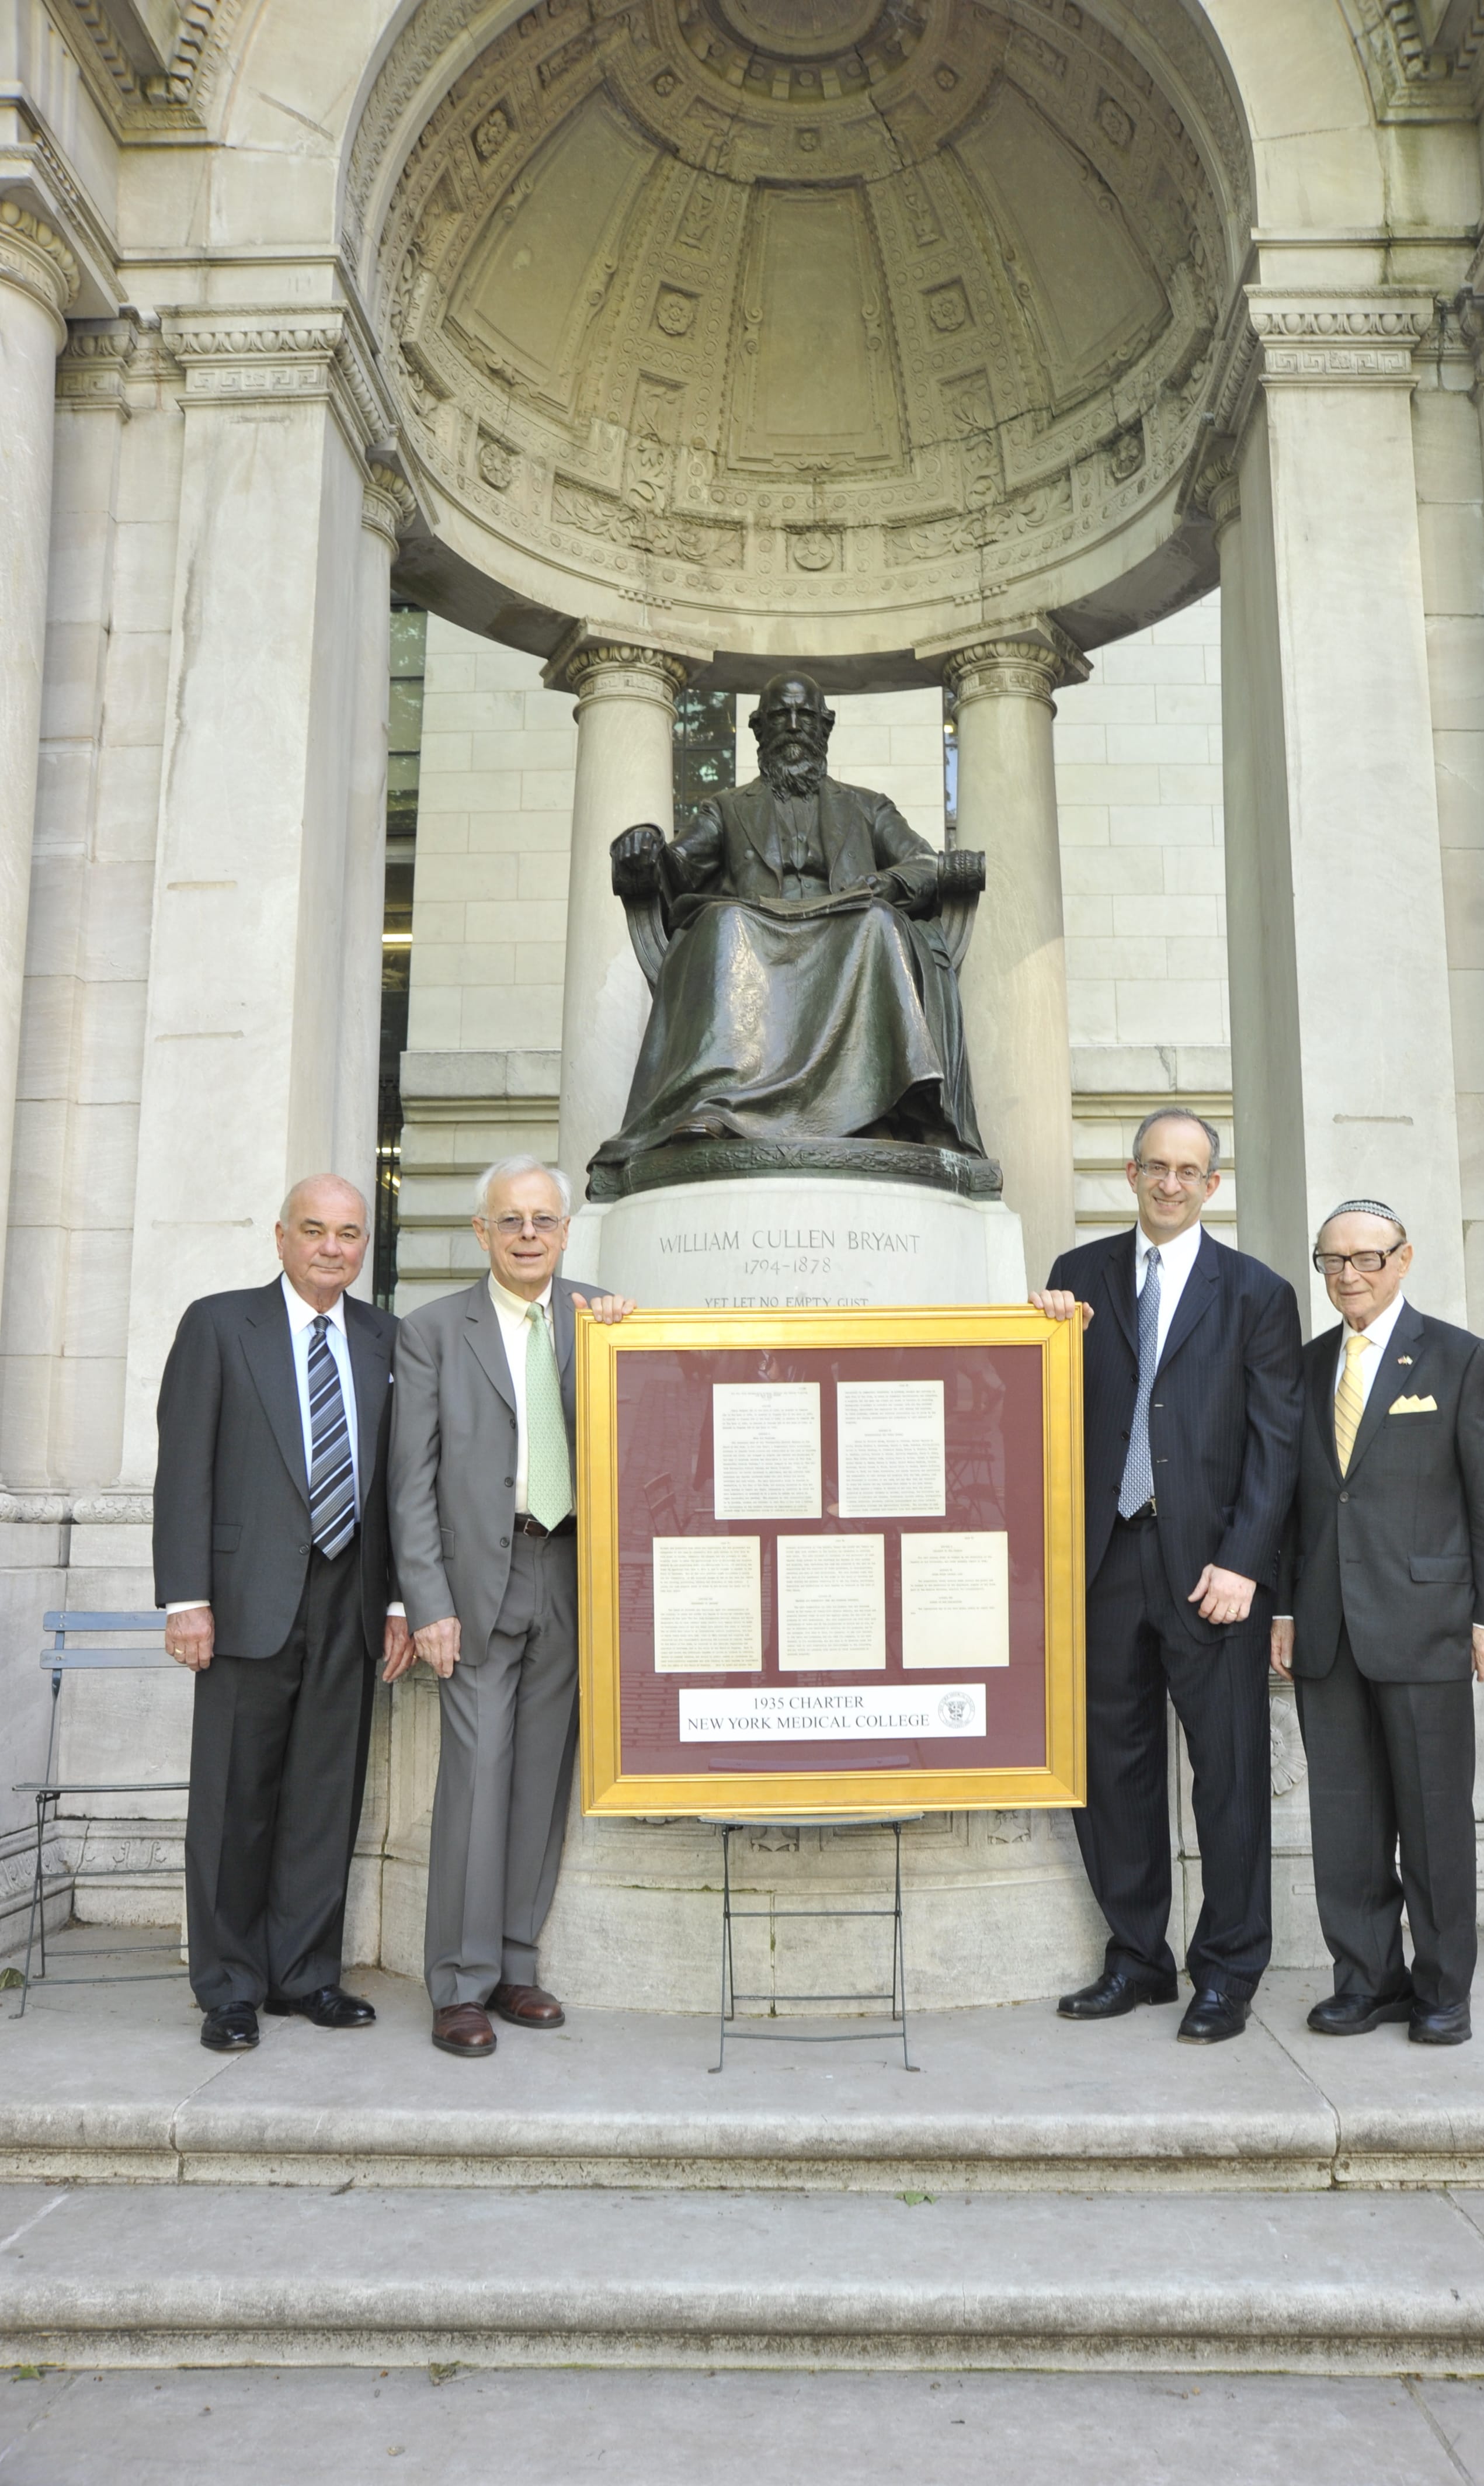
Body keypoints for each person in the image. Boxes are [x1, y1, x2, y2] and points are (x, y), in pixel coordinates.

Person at [1031, 1112, 1302, 2043]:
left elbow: (1276, 1446)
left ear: (1211, 1185)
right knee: (1113, 1772)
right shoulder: (1076, 1279)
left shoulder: (1256, 1293)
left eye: (1190, 1171)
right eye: (1157, 1167)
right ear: (1131, 1172)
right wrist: (1040, 1338)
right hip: (1106, 1561)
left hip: (1212, 1573)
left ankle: (1226, 1970)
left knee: (1227, 1776)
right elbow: (1045, 1414)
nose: (1172, 1184)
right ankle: (1138, 1958)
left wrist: (1245, 1563)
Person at [387, 1155, 635, 2057]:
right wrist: (428, 1602)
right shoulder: (432, 1333)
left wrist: (619, 1339)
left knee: (541, 1780)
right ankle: (459, 1982)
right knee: (477, 1777)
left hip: (571, 1574)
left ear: (565, 1233)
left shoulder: (602, 1316)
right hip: (476, 1585)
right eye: (510, 1221)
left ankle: (517, 1966)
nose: (528, 1234)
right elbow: (408, 1484)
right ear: (482, 1234)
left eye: (543, 1220)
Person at [154, 1176, 406, 2052]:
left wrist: (403, 1599)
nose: (334, 1247)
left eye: (349, 1233)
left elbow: (399, 1480)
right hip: (245, 1601)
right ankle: (227, 1986)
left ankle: (304, 1975)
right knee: (234, 1798)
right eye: (315, 1230)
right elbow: (184, 1469)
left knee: (323, 1795)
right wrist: (188, 1599)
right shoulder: (220, 1325)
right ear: (281, 1237)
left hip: (352, 1598)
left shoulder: (384, 1337)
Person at [1270, 1200, 1484, 2046]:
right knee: (1345, 1821)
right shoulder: (1304, 1369)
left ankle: (1443, 1988)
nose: (1350, 1274)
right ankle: (1366, 1980)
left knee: (1432, 1815)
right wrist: (1281, 1608)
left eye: (1368, 1258)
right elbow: (1292, 1505)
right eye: (1333, 1260)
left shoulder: (1461, 1360)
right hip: (1325, 1629)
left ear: (1404, 1259)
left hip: (1426, 1624)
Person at [594, 671, 989, 1188]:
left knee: (875, 925)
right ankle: (720, 1102)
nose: (795, 726)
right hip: (757, 932)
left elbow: (925, 863)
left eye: (807, 716)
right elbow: (678, 868)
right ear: (758, 727)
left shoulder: (868, 807)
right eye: (781, 715)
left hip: (848, 927)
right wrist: (643, 843)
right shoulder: (727, 809)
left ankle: (877, 1105)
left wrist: (886, 885)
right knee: (723, 921)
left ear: (826, 726)